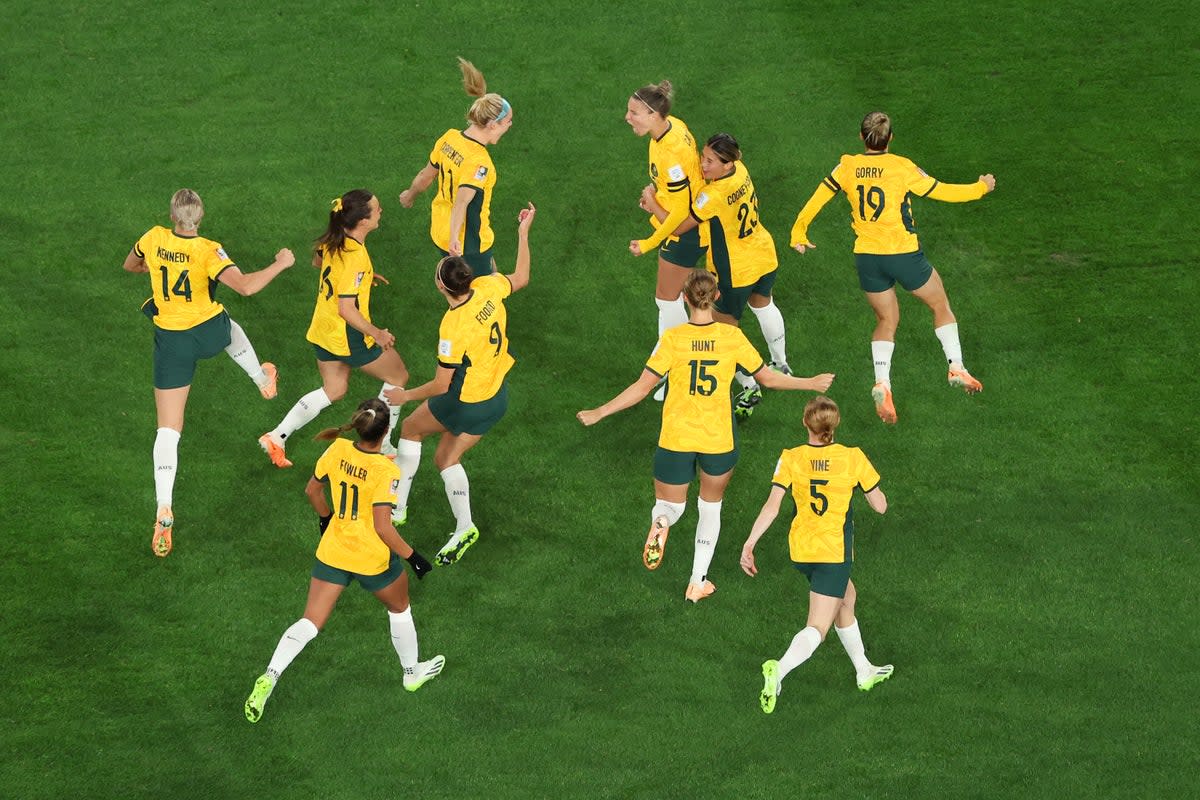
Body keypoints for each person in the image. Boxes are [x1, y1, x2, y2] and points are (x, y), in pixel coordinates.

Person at [577, 271, 834, 602]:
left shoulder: (672, 340)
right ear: (715, 298)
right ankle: (697, 582)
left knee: (670, 505)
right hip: (718, 440)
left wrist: (600, 411)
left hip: (676, 437)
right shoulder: (732, 338)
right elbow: (768, 379)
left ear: (685, 298)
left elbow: (642, 387)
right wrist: (810, 382)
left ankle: (661, 520)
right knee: (710, 509)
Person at [789, 111, 996, 424]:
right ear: (890, 139)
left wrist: (799, 231)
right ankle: (956, 367)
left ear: (862, 138)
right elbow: (943, 191)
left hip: (868, 259)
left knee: (886, 319)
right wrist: (980, 186)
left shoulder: (847, 166)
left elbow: (819, 197)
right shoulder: (903, 167)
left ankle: (883, 383)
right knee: (940, 305)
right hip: (903, 255)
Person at [244, 398, 442, 723]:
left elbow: (312, 491)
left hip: (334, 550)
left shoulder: (336, 449)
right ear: (385, 431)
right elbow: (382, 526)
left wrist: (326, 520)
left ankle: (271, 674)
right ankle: (411, 673)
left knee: (310, 622)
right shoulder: (386, 471)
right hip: (371, 558)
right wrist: (414, 557)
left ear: (357, 425)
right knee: (399, 608)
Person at [122, 188, 294, 557]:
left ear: (172, 216)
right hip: (207, 331)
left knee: (168, 430)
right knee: (230, 326)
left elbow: (130, 266)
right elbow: (246, 286)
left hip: (171, 342)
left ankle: (163, 507)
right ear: (199, 217)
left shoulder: (152, 238)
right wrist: (281, 262)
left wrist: (157, 266)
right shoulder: (208, 249)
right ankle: (262, 379)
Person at [383, 203, 536, 566]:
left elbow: (439, 384)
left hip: (466, 399)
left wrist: (404, 395)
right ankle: (465, 526)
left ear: (441, 285)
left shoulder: (452, 326)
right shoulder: (488, 287)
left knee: (410, 428)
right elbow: (523, 277)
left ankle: (398, 508)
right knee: (446, 457)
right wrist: (523, 234)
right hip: (497, 396)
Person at [740, 396, 892, 714]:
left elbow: (772, 505)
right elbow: (880, 506)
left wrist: (750, 542)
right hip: (832, 554)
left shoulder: (791, 457)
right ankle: (778, 671)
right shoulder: (852, 458)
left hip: (801, 551)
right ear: (834, 426)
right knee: (818, 628)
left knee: (847, 597)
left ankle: (863, 669)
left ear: (805, 424)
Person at [642, 133, 791, 420]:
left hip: (735, 270)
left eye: (710, 161)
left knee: (723, 334)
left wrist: (651, 201)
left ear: (727, 164)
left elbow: (678, 227)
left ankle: (749, 387)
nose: (702, 164)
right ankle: (781, 364)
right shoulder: (741, 171)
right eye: (703, 156)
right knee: (764, 305)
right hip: (764, 254)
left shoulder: (713, 195)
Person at [259, 190, 408, 468]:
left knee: (335, 388)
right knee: (398, 376)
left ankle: (276, 437)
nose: (381, 211)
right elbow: (346, 309)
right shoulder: (356, 257)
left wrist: (361, 281)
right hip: (346, 335)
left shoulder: (334, 239)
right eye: (377, 209)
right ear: (363, 221)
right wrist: (377, 333)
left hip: (322, 329)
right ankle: (382, 443)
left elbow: (319, 261)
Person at [623, 80, 708, 400]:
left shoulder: (671, 152)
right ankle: (671, 368)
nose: (627, 117)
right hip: (687, 221)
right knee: (668, 300)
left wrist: (648, 241)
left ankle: (675, 370)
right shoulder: (670, 129)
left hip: (686, 230)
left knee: (667, 300)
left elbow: (681, 213)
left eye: (634, 113)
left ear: (655, 113)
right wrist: (655, 199)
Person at [397, 57, 514, 277]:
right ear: (492, 125)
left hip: (440, 228)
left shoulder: (450, 138)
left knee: (488, 274)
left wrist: (409, 195)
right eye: (507, 122)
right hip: (465, 242)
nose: (510, 126)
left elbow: (425, 176)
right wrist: (454, 240)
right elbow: (462, 201)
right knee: (481, 291)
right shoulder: (479, 162)